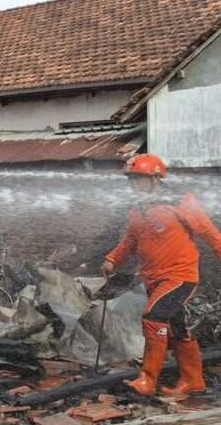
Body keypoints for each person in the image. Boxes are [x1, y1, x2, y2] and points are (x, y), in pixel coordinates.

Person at [102, 154, 221, 396]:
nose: (133, 183)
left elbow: (210, 233)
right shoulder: (137, 209)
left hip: (180, 276)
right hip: (153, 278)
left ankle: (147, 381)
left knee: (154, 318)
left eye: (139, 178)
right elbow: (131, 240)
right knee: (177, 330)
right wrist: (112, 259)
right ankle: (193, 381)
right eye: (131, 178)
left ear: (156, 178)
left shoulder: (181, 202)